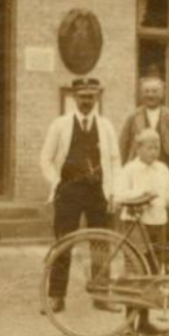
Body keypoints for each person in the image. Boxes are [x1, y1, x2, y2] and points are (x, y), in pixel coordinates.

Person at [40, 77, 122, 314]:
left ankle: (101, 296)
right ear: (74, 97)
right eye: (82, 96)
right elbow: (45, 158)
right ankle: (56, 296)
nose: (87, 101)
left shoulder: (105, 126)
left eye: (91, 96)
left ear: (97, 97)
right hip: (69, 191)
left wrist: (113, 190)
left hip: (98, 192)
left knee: (100, 243)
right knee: (63, 243)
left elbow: (115, 160)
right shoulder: (60, 125)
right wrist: (55, 182)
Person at [119, 77, 169, 273]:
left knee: (167, 224)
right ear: (141, 93)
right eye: (147, 91)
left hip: (165, 175)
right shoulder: (133, 117)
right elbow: (123, 145)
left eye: (154, 91)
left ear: (162, 93)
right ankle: (139, 267)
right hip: (139, 174)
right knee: (140, 226)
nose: (150, 95)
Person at [114, 128, 169, 336]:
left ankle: (145, 321)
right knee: (135, 274)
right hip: (136, 227)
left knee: (153, 273)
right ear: (138, 148)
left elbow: (167, 199)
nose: (154, 151)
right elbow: (119, 195)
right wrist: (142, 194)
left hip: (159, 225)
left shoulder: (163, 170)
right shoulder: (130, 170)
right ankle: (129, 323)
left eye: (157, 146)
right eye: (149, 147)